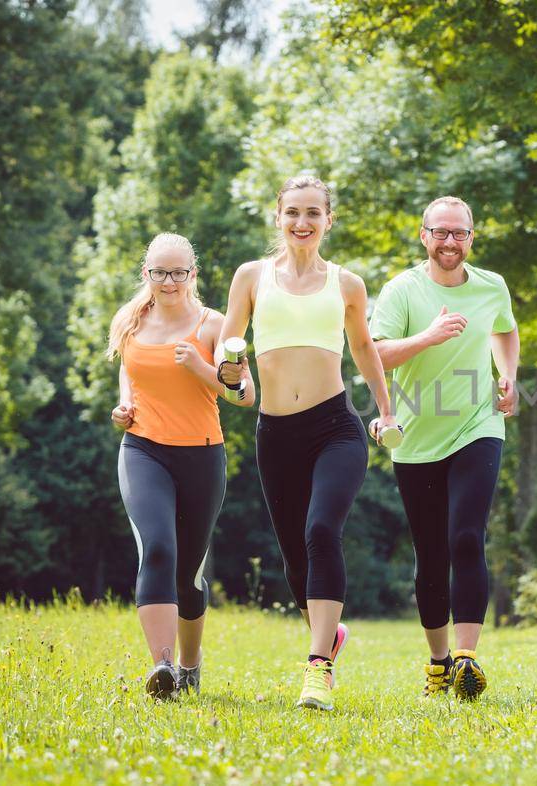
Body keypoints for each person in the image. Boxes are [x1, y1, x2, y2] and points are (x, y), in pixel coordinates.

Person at [217, 174, 398, 711]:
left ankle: (318, 667)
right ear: (278, 217)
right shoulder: (251, 277)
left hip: (334, 428)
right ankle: (331, 634)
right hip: (275, 432)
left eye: (313, 213)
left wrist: (385, 411)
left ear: (328, 220)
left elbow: (364, 349)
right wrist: (230, 373)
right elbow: (231, 351)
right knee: (296, 556)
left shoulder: (347, 283)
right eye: (292, 212)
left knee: (322, 529)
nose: (302, 223)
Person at [371, 196, 519, 700]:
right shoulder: (403, 290)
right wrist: (430, 336)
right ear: (424, 235)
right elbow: (377, 351)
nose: (450, 242)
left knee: (466, 536)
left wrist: (509, 377)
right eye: (441, 232)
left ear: (471, 238)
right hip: (416, 439)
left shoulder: (491, 286)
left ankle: (467, 659)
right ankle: (438, 661)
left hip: (478, 426)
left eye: (460, 233)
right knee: (430, 555)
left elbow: (505, 329)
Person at [109, 232, 253, 700]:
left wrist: (201, 368)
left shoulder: (215, 327)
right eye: (158, 272)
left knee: (189, 573)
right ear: (145, 273)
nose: (168, 281)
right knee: (157, 549)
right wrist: (124, 406)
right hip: (143, 450)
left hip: (202, 456)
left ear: (192, 274)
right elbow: (130, 372)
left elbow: (245, 396)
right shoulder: (129, 321)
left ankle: (190, 665)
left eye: (177, 272)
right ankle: (163, 667)